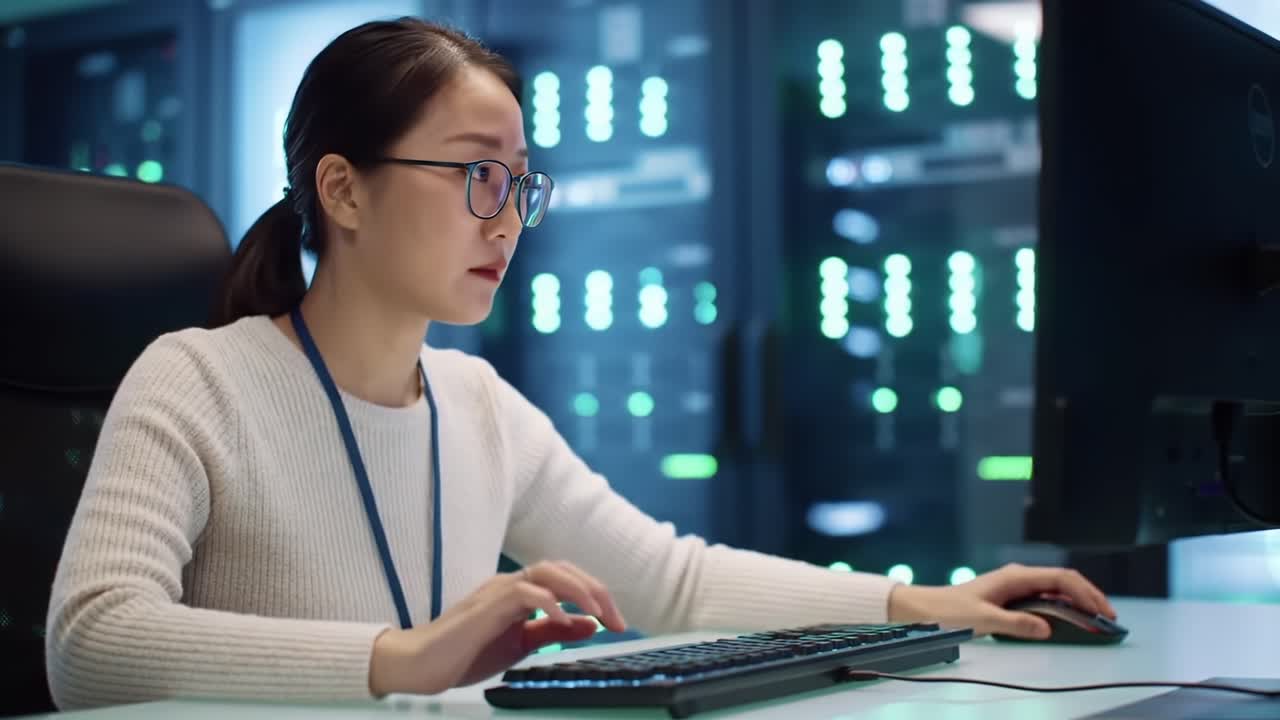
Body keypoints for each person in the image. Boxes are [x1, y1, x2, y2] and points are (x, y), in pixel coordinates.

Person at [44, 17, 1116, 711]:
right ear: (343, 190)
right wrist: (400, 657)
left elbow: (671, 578)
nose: (504, 220)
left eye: (519, 184)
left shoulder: (473, 402)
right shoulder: (198, 380)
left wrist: (925, 601)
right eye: (473, 175)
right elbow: (91, 642)